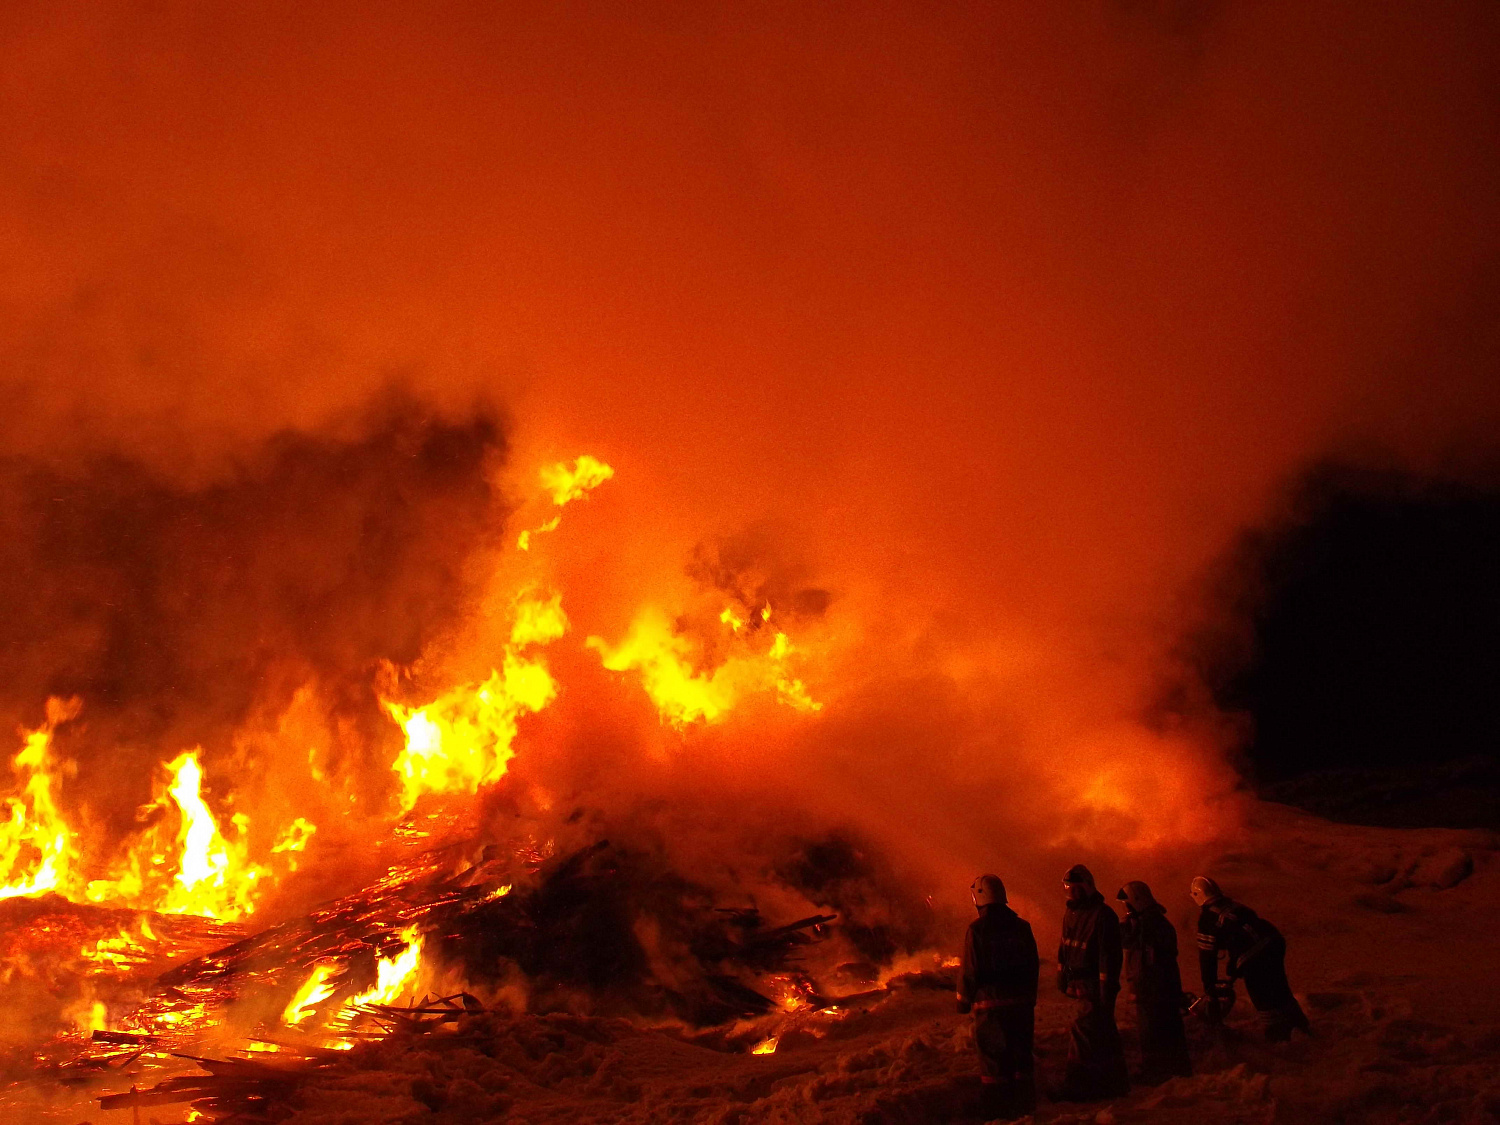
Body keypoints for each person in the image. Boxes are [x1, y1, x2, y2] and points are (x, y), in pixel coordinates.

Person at [957, 874, 1039, 1119]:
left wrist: (963, 1000)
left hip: (991, 1008)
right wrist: (1029, 997)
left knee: (994, 1062)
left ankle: (998, 1112)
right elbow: (1032, 965)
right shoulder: (1022, 927)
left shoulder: (977, 930)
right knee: (1020, 1058)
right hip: (1022, 1007)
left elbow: (970, 969)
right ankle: (1025, 1108)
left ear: (980, 897)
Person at [1191, 875, 1310, 1042]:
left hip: (1253, 957)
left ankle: (1278, 1037)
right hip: (1273, 944)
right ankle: (1301, 1026)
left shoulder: (1208, 919)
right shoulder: (1234, 906)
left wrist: (1209, 987)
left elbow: (1207, 958)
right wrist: (1234, 963)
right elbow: (1244, 933)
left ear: (1197, 896)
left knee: (1262, 997)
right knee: (1280, 988)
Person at [1054, 864, 1130, 1101]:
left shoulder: (1103, 915)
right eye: (1069, 889)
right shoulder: (1071, 914)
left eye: (1078, 889)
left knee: (1083, 1031)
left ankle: (1077, 1084)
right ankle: (1113, 1082)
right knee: (1103, 1032)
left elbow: (1109, 956)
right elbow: (1064, 947)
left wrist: (1105, 988)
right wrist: (1061, 975)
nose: (1073, 893)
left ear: (1088, 887)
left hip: (1095, 984)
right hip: (1080, 982)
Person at [1117, 881, 1192, 1083]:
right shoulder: (1153, 922)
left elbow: (1130, 941)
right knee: (1162, 1027)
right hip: (1156, 986)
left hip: (1153, 987)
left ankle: (1157, 1072)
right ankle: (1175, 1069)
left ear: (1137, 901)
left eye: (1127, 903)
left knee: (1153, 1030)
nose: (1126, 908)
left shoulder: (1150, 925)